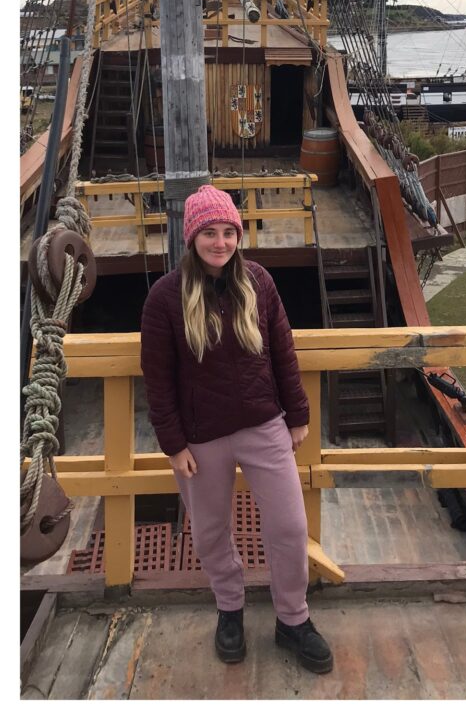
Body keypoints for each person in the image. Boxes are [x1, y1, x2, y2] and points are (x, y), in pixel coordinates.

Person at [141, 184, 333, 673]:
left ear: (238, 236)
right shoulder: (165, 297)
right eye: (210, 232)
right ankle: (230, 608)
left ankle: (293, 618)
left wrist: (297, 414)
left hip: (264, 425)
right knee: (209, 533)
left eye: (228, 232)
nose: (220, 242)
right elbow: (158, 379)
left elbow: (282, 352)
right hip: (201, 437)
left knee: (289, 526)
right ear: (193, 237)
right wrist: (173, 444)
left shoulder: (259, 282)